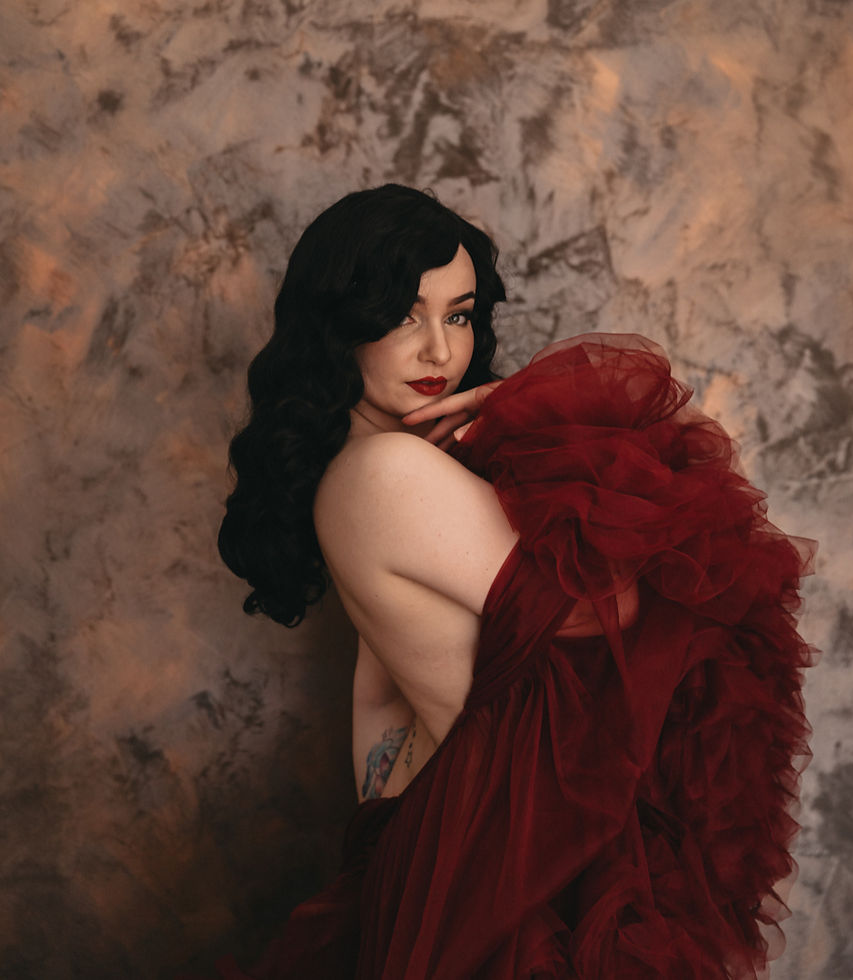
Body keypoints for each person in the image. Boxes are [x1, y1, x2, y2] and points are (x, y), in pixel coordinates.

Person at [216, 184, 814, 979]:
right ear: (340, 327)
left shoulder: (374, 474)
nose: (440, 351)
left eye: (459, 316)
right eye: (404, 316)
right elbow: (615, 606)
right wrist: (528, 409)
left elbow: (382, 709)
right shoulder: (385, 471)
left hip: (476, 846)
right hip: (508, 860)